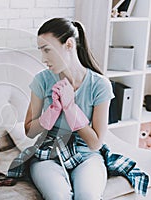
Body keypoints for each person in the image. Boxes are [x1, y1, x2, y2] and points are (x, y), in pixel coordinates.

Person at [24, 18, 114, 200]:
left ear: (69, 44)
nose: (43, 59)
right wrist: (53, 111)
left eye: (47, 49)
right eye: (41, 51)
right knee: (59, 196)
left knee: (87, 196)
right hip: (49, 155)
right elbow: (29, 131)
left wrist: (70, 107)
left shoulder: (100, 85)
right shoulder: (41, 80)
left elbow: (95, 143)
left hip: (87, 156)